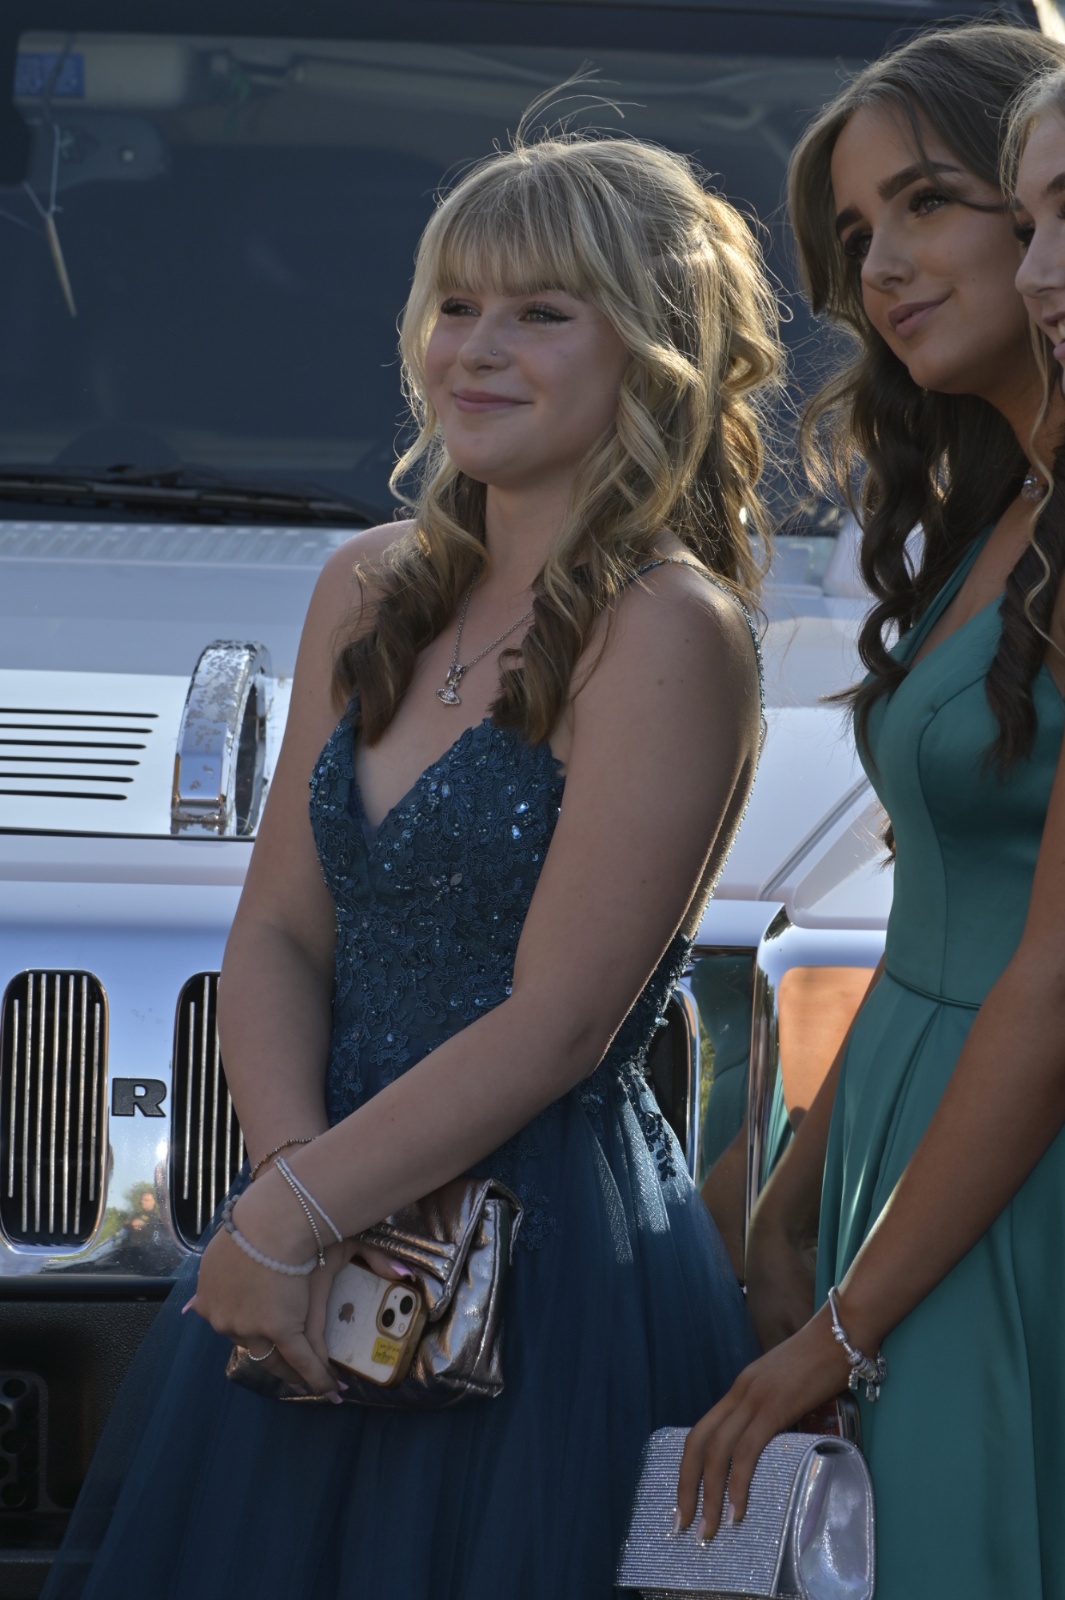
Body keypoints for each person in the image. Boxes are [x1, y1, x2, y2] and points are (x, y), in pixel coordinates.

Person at [43, 130, 781, 1600]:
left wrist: (299, 1217)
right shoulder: (363, 585)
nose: (477, 349)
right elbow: (277, 931)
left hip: (535, 1268)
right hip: (320, 1213)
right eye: (456, 305)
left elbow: (560, 1020)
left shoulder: (669, 629)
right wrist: (291, 1185)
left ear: (651, 355)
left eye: (541, 312)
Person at [673, 22, 1065, 1600]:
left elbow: (1046, 976)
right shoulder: (1004, 509)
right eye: (853, 234)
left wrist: (843, 1326)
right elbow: (929, 924)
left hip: (1013, 1180)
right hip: (900, 1163)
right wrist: (789, 1197)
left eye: (929, 203)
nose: (882, 266)